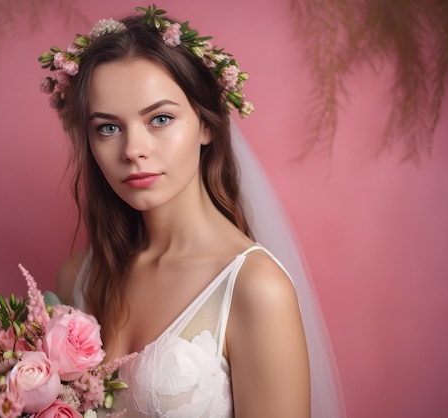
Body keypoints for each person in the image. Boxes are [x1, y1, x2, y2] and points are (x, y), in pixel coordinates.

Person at [39, 5, 345, 417]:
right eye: (108, 128)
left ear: (206, 126)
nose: (133, 150)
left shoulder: (254, 289)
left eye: (160, 119)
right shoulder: (78, 275)